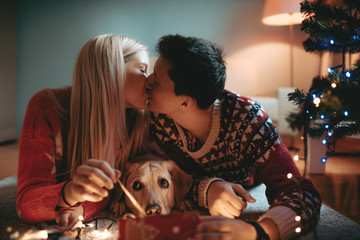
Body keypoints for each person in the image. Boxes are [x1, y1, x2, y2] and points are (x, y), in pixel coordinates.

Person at [145, 34, 321, 240]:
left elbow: (301, 193)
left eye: (156, 80)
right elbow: (166, 179)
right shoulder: (158, 121)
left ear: (185, 102)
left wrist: (260, 231)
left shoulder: (249, 121)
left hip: (245, 192)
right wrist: (206, 190)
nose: (146, 82)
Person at [16, 34, 150, 227]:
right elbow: (26, 203)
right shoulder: (46, 107)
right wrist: (69, 193)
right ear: (112, 69)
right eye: (142, 70)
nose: (149, 80)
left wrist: (79, 208)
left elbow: (110, 191)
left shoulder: (136, 121)